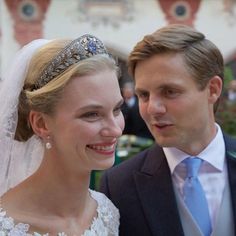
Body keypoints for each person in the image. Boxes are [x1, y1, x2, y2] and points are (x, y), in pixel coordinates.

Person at [100, 24, 236, 236]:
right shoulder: (118, 185)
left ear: (212, 90)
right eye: (144, 95)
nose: (153, 108)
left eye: (170, 91)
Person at [0, 34, 124, 235]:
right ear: (41, 123)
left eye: (117, 109)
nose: (116, 130)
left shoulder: (107, 211)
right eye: (92, 114)